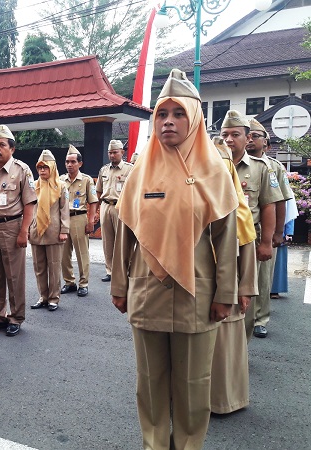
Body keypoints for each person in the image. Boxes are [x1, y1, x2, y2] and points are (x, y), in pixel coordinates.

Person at [111, 69, 239, 450]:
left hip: (197, 294)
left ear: (195, 117)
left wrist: (225, 294)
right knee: (150, 382)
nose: (168, 121)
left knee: (193, 385)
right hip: (147, 291)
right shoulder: (140, 172)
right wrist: (120, 287)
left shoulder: (215, 172)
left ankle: (187, 445)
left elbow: (228, 239)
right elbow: (125, 235)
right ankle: (154, 444)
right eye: (162, 114)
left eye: (178, 113)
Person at [220, 110, 282, 341]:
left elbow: (268, 206)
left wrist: (267, 242)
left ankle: (241, 345)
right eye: (225, 134)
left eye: (235, 134)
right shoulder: (213, 167)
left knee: (246, 294)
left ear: (247, 139)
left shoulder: (261, 168)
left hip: (248, 240)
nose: (228, 139)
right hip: (217, 241)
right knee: (218, 291)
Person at [209, 137, 258, 415]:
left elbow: (247, 245)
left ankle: (225, 401)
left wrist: (245, 288)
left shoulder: (238, 208)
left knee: (227, 346)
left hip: (232, 286)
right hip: (204, 286)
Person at [0, 124, 37, 337]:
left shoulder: (22, 170)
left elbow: (30, 203)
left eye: (1, 144)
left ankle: (15, 317)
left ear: (12, 149)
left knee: (14, 275)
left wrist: (24, 232)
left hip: (12, 227)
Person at [246, 118, 293, 338]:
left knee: (263, 278)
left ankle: (260, 319)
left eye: (256, 136)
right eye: (248, 135)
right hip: (238, 232)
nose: (250, 140)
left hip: (261, 232)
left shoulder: (274, 167)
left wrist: (277, 233)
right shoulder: (233, 162)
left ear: (266, 143)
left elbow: (280, 201)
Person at [29, 150, 69, 311]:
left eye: (45, 167)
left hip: (54, 231)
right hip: (36, 230)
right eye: (39, 168)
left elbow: (64, 210)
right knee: (38, 266)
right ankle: (43, 296)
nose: (42, 171)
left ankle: (53, 298)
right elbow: (28, 208)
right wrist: (26, 229)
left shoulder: (61, 186)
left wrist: (64, 229)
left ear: (52, 168)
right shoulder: (33, 185)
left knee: (53, 266)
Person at [60, 145, 98, 297]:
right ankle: (69, 282)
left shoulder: (87, 180)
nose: (69, 165)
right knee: (63, 253)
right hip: (63, 218)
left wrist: (91, 221)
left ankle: (84, 283)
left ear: (80, 164)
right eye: (67, 162)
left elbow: (93, 201)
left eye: (73, 162)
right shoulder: (60, 180)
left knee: (82, 253)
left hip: (79, 217)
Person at [96, 140, 133, 282]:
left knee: (123, 239)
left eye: (115, 152)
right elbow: (98, 190)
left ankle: (125, 269)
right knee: (107, 240)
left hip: (121, 207)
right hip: (106, 205)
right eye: (110, 153)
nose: (112, 155)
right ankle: (110, 271)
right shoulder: (104, 170)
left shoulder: (129, 169)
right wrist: (100, 208)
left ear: (122, 153)